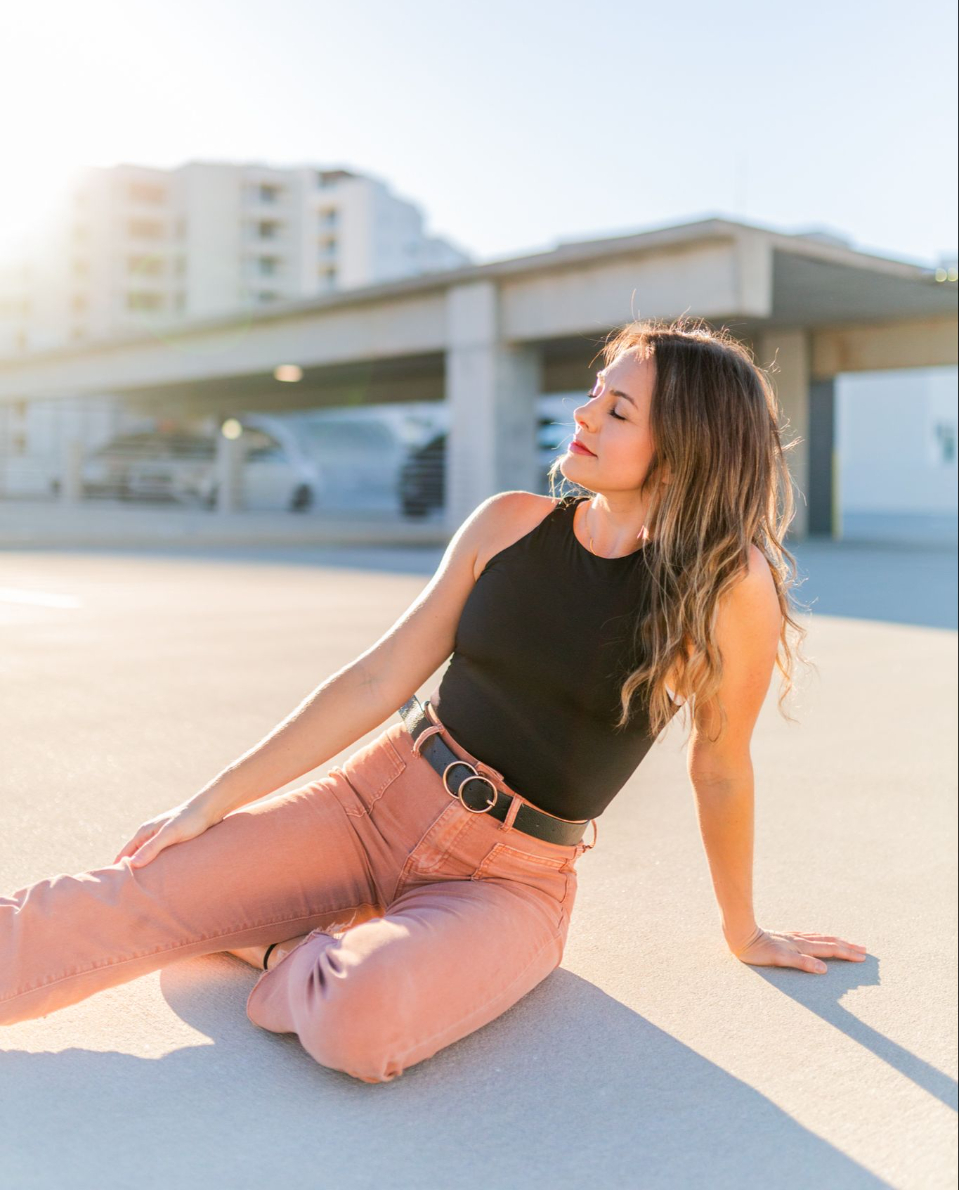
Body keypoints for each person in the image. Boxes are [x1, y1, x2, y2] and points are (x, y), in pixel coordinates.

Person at [0, 317, 867, 1081]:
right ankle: (279, 922)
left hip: (511, 880)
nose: (582, 415)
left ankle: (285, 948)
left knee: (361, 1021)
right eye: (593, 394)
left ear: (683, 445)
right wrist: (209, 804)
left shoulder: (728, 585)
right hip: (370, 802)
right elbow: (377, 679)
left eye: (617, 410)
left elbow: (720, 764)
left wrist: (742, 929)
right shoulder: (509, 524)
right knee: (128, 892)